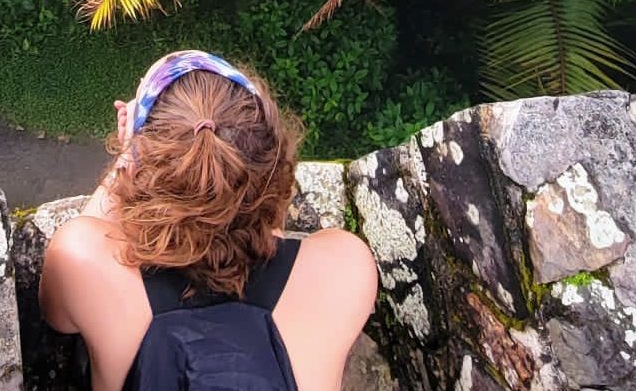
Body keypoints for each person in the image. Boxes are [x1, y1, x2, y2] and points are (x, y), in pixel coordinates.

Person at [38, 50, 380, 391]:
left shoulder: (80, 258)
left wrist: (127, 165)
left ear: (141, 172)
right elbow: (265, 221)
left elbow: (59, 320)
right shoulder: (345, 269)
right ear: (273, 163)